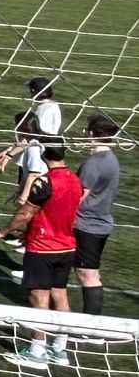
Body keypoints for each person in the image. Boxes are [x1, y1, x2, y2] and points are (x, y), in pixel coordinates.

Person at [0, 142, 82, 369]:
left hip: (43, 247)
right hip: (67, 246)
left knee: (39, 298)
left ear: (44, 155)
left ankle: (37, 351)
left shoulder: (45, 182)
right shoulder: (75, 180)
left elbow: (25, 213)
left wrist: (4, 231)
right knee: (60, 296)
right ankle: (60, 349)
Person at [74, 115, 118, 320]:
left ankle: (91, 327)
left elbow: (79, 196)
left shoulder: (94, 163)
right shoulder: (111, 158)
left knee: (87, 274)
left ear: (92, 133)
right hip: (98, 222)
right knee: (91, 272)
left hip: (87, 224)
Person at [0, 77, 65, 202]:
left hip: (36, 160)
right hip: (42, 157)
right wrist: (9, 150)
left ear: (33, 91)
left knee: (30, 199)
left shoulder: (45, 111)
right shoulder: (52, 106)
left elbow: (32, 137)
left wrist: (9, 155)